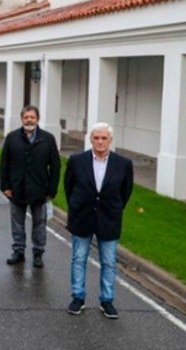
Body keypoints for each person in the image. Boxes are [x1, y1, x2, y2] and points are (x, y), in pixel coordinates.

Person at [65, 122, 133, 319]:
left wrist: (114, 208)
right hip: (82, 217)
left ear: (110, 140)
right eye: (97, 138)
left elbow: (125, 192)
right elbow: (69, 187)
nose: (100, 141)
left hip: (109, 218)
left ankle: (107, 300)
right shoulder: (77, 160)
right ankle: (78, 297)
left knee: (109, 262)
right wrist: (77, 205)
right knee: (78, 259)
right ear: (90, 140)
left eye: (104, 138)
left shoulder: (123, 164)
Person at [0, 105, 61, 268]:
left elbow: (55, 166)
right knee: (17, 223)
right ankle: (18, 251)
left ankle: (38, 253)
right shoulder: (12, 138)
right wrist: (5, 186)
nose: (29, 120)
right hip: (16, 189)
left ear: (37, 119)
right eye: (26, 117)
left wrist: (52, 190)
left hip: (40, 190)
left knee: (39, 224)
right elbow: (4, 163)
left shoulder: (48, 139)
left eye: (32, 117)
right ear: (22, 119)